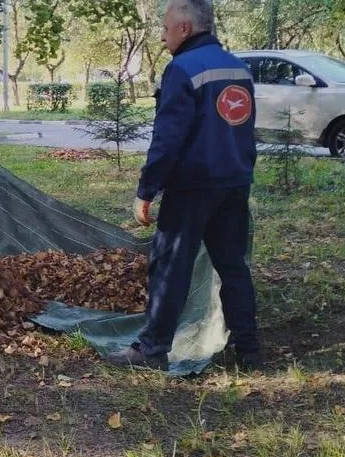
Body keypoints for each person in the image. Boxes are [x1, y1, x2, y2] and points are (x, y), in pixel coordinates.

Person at [105, 0, 261, 371]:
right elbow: (243, 131)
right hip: (235, 184)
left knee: (170, 267)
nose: (162, 35)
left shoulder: (182, 69)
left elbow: (168, 139)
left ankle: (152, 350)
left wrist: (146, 190)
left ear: (185, 29)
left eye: (166, 28)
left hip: (192, 188)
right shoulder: (239, 69)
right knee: (234, 266)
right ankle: (250, 350)